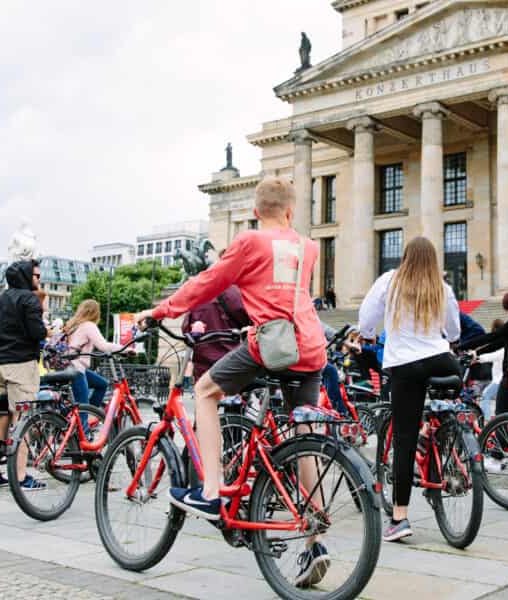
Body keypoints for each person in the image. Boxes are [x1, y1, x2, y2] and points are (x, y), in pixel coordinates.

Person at [133, 176, 329, 588]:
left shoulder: (249, 242)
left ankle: (210, 488)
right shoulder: (308, 247)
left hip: (273, 347)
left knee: (205, 391)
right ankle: (314, 539)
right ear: (291, 212)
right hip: (311, 347)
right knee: (304, 431)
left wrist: (161, 310)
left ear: (256, 212)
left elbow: (208, 283)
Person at [357, 236, 461, 542]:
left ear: (405, 257)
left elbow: (366, 318)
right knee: (447, 404)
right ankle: (451, 440)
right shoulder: (441, 287)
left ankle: (400, 518)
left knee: (404, 438)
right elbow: (454, 328)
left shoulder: (391, 281)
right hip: (443, 362)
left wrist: (366, 335)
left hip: (405, 365)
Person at [0, 259, 48, 490]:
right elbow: (36, 331)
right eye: (36, 276)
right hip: (21, 364)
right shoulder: (29, 299)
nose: (39, 280)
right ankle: (21, 477)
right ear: (25, 276)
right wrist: (46, 331)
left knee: (0, 417)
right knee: (24, 420)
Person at [460, 292, 508, 416]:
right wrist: (477, 352)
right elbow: (499, 344)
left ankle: (503, 435)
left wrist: (462, 345)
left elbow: (491, 338)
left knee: (501, 413)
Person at [62, 299, 122, 414]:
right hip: (77, 369)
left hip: (66, 366)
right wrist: (125, 348)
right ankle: (84, 421)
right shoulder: (88, 325)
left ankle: (91, 414)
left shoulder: (72, 325)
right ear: (95, 313)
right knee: (83, 408)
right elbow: (103, 346)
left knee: (102, 384)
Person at [180, 286, 250, 382]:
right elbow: (251, 320)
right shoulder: (235, 292)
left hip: (203, 365)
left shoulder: (199, 292)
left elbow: (186, 328)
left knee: (204, 393)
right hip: (231, 362)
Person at [474, 320, 507, 419]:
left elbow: (495, 356)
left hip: (500, 380)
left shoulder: (504, 345)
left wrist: (478, 358)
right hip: (499, 379)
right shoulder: (502, 343)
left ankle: (487, 421)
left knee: (485, 395)